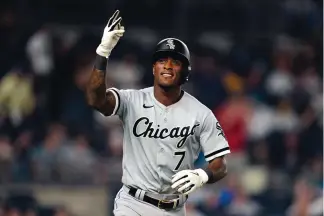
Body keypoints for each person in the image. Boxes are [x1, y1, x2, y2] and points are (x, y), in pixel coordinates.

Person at [85, 10, 231, 216]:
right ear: (154, 68)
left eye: (176, 62)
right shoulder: (132, 100)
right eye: (162, 60)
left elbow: (221, 165)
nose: (168, 66)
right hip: (133, 204)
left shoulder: (201, 113)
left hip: (176, 208)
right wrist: (103, 52)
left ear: (186, 71)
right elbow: (95, 100)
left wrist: (202, 175)